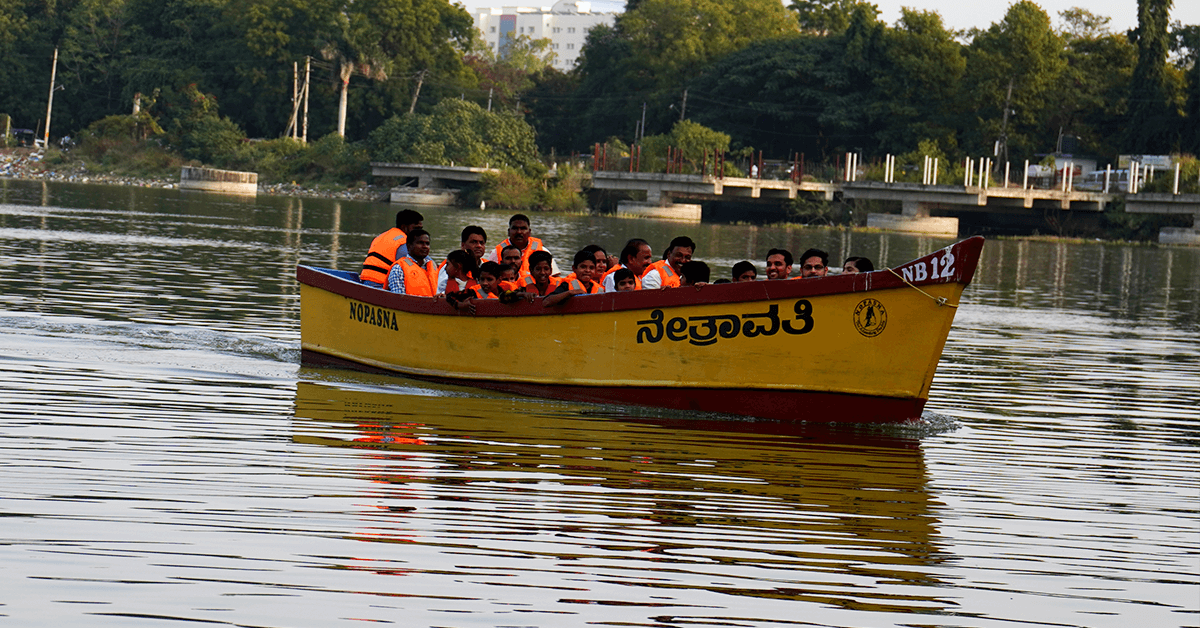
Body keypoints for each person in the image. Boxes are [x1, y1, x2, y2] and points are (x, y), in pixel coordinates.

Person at [360, 209, 423, 288]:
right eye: (416, 229)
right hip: (380, 284)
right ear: (404, 227)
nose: (420, 233)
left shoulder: (382, 236)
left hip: (365, 280)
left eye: (421, 229)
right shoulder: (403, 242)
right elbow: (412, 268)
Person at [484, 213, 554, 275]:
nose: (519, 232)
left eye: (523, 228)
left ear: (529, 232)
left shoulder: (542, 251)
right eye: (515, 228)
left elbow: (554, 276)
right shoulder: (496, 252)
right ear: (509, 232)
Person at [386, 229, 437, 296]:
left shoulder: (434, 267)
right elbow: (398, 300)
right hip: (408, 305)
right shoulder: (398, 269)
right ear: (409, 246)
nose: (425, 247)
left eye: (427, 244)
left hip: (432, 305)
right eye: (420, 243)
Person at [437, 225, 487, 293]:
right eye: (474, 242)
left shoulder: (487, 266)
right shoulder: (450, 266)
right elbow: (439, 291)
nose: (479, 246)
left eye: (481, 243)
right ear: (463, 245)